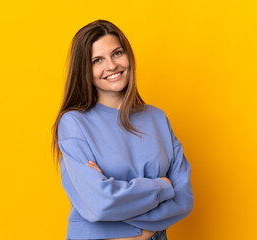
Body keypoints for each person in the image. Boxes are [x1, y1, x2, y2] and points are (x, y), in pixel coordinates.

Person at [51, 19, 194, 240]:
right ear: (84, 70)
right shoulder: (74, 123)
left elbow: (184, 199)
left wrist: (117, 200)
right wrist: (162, 187)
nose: (111, 66)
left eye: (117, 53)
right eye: (97, 60)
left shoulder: (157, 117)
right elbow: (99, 204)